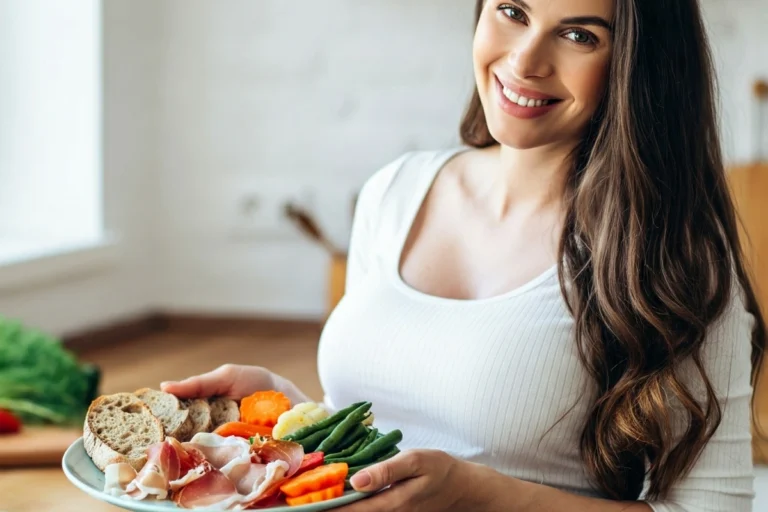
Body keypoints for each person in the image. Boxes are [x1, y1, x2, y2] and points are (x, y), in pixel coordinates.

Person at [161, 0, 767, 510]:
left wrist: (480, 494)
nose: (525, 60)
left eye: (579, 35)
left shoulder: (670, 259)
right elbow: (390, 436)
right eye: (512, 11)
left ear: (638, 66)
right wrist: (288, 409)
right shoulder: (397, 191)